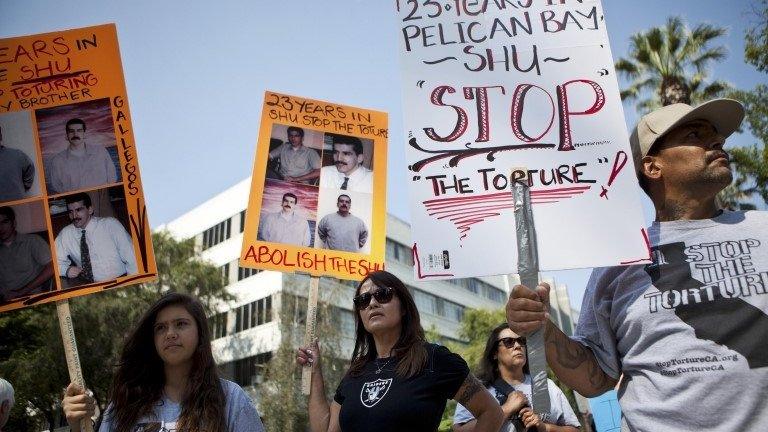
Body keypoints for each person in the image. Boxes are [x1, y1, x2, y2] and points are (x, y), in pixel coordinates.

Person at [505, 99, 768, 431]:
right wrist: (541, 328)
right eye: (695, 134)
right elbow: (597, 380)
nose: (716, 142)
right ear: (653, 167)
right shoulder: (621, 261)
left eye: (716, 136)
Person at [296, 270, 504, 432]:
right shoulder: (355, 372)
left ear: (404, 307)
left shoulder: (434, 359)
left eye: (383, 294)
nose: (373, 303)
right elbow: (326, 429)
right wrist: (315, 372)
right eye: (363, 300)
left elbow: (491, 412)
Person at [62, 292, 265, 432]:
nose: (170, 334)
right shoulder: (125, 403)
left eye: (181, 324)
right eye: (160, 328)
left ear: (200, 334)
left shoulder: (231, 399)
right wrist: (78, 426)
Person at [453, 323, 580, 432]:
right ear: (494, 353)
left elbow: (575, 429)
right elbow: (459, 430)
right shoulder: (477, 389)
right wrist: (506, 409)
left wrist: (545, 428)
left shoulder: (547, 386)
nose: (518, 346)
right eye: (508, 342)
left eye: (522, 341)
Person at [54, 192, 137, 284]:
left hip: (121, 280)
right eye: (70, 212)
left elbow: (132, 257)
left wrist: (131, 283)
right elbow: (54, 261)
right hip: (90, 286)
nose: (74, 216)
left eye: (78, 210)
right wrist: (66, 270)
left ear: (90, 209)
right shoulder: (66, 233)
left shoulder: (110, 225)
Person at [47, 118, 117, 194]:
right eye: (71, 131)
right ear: (66, 136)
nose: (75, 134)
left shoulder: (100, 152)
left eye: (79, 131)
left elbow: (112, 178)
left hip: (103, 198)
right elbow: (56, 187)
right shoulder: (57, 161)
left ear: (84, 134)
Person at [0, 206, 54, 301]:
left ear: (14, 223)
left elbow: (52, 267)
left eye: (5, 222)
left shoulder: (32, 241)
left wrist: (20, 292)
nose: (0, 228)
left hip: (30, 296)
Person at [0, 125, 36, 202]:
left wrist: (22, 188)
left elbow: (30, 169)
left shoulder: (17, 155)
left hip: (19, 204)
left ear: (0, 136)